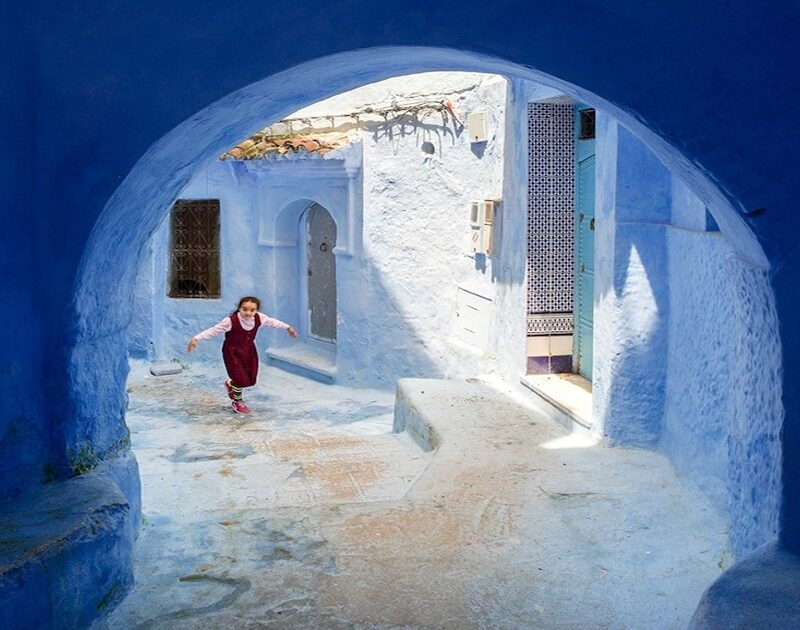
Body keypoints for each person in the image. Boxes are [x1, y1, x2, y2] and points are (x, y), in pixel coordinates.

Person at [187, 296, 297, 414]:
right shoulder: (230, 321)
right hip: (232, 352)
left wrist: (288, 328)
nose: (248, 313)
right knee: (240, 379)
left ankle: (231, 384)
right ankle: (237, 401)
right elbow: (214, 330)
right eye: (244, 309)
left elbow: (272, 322)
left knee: (250, 380)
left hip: (249, 351)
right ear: (239, 308)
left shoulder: (260, 318)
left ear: (256, 310)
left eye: (252, 310)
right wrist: (196, 338)